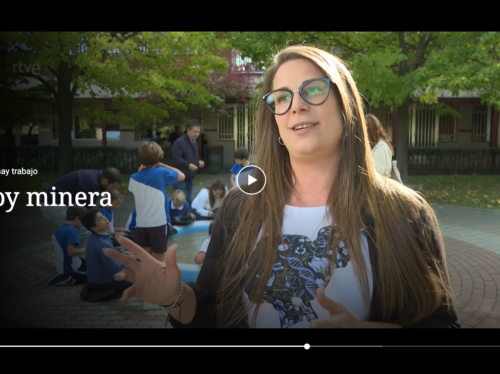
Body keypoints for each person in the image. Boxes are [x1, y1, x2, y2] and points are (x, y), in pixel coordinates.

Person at [104, 45, 460, 329]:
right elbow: (212, 312)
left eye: (314, 89)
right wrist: (176, 298)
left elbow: (440, 323)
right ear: (273, 120)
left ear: (345, 106)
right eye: (282, 98)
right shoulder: (239, 208)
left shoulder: (405, 213)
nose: (297, 105)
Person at [40, 168, 121, 254]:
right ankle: (76, 255)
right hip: (52, 205)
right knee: (84, 228)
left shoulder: (96, 178)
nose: (111, 189)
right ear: (105, 181)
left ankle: (66, 248)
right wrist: (101, 225)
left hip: (58, 203)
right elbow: (87, 213)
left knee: (80, 227)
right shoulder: (91, 184)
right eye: (112, 187)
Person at [129, 142, 184, 263]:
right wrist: (163, 165)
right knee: (158, 262)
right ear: (158, 158)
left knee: (144, 259)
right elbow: (182, 176)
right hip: (158, 224)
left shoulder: (133, 177)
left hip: (141, 224)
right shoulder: (161, 172)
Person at [82, 208, 132, 299]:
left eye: (102, 216)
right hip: (104, 282)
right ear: (94, 228)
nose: (105, 218)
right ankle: (113, 292)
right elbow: (113, 270)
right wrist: (128, 261)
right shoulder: (103, 244)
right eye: (100, 219)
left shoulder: (94, 236)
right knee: (139, 278)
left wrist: (120, 253)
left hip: (93, 280)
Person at [47, 206, 88, 286]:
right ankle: (68, 278)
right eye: (83, 221)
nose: (83, 224)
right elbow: (71, 252)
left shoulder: (59, 230)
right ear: (77, 218)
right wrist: (86, 248)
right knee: (96, 276)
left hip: (64, 265)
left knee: (93, 264)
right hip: (71, 267)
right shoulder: (72, 231)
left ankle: (63, 274)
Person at [171, 120, 205, 206]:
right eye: (195, 132)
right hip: (179, 177)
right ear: (188, 130)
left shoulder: (195, 143)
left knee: (189, 200)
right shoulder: (179, 142)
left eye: (198, 132)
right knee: (182, 201)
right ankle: (177, 218)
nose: (197, 134)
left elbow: (192, 158)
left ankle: (187, 217)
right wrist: (188, 165)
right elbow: (176, 159)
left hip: (190, 177)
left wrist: (198, 162)